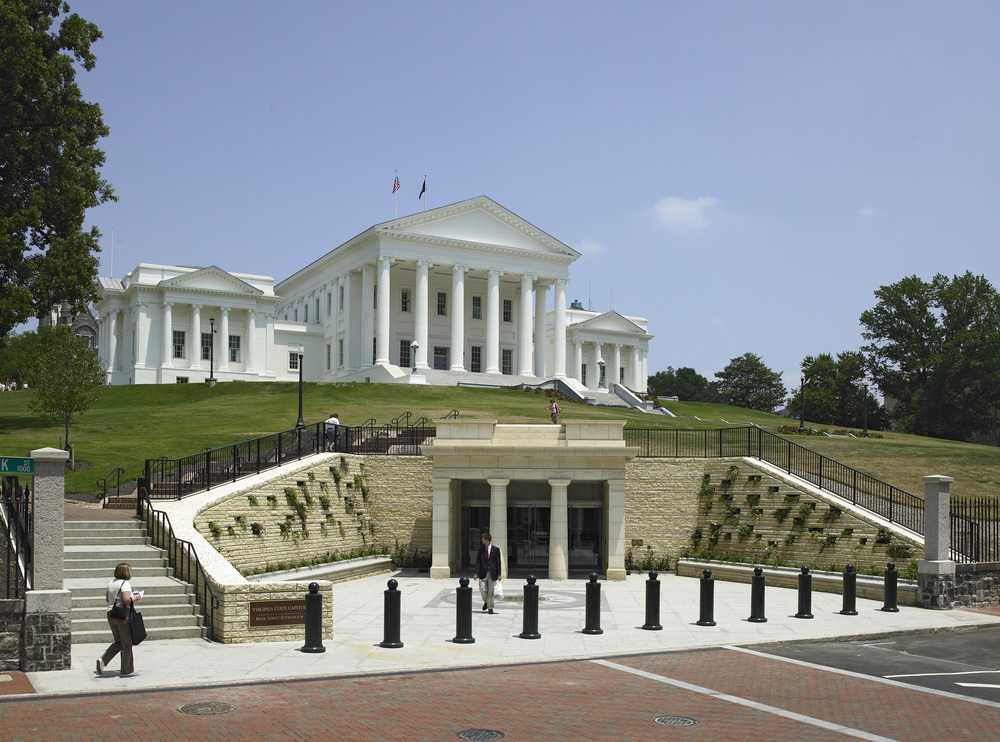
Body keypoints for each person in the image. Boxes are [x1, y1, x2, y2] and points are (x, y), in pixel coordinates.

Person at [97, 562, 142, 677]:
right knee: (126, 643)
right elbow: (126, 600)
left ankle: (103, 660)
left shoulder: (111, 583)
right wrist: (137, 597)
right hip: (122, 615)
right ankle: (126, 670)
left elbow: (108, 599)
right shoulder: (125, 583)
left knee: (118, 641)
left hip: (111, 613)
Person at [473, 532, 502, 614]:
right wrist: (476, 572)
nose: (481, 540)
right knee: (482, 589)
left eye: (482, 538)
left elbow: (498, 563)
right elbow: (478, 561)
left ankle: (490, 608)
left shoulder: (496, 550)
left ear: (487, 540)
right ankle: (486, 602)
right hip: (483, 573)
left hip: (492, 573)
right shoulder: (481, 549)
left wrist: (499, 574)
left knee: (491, 592)